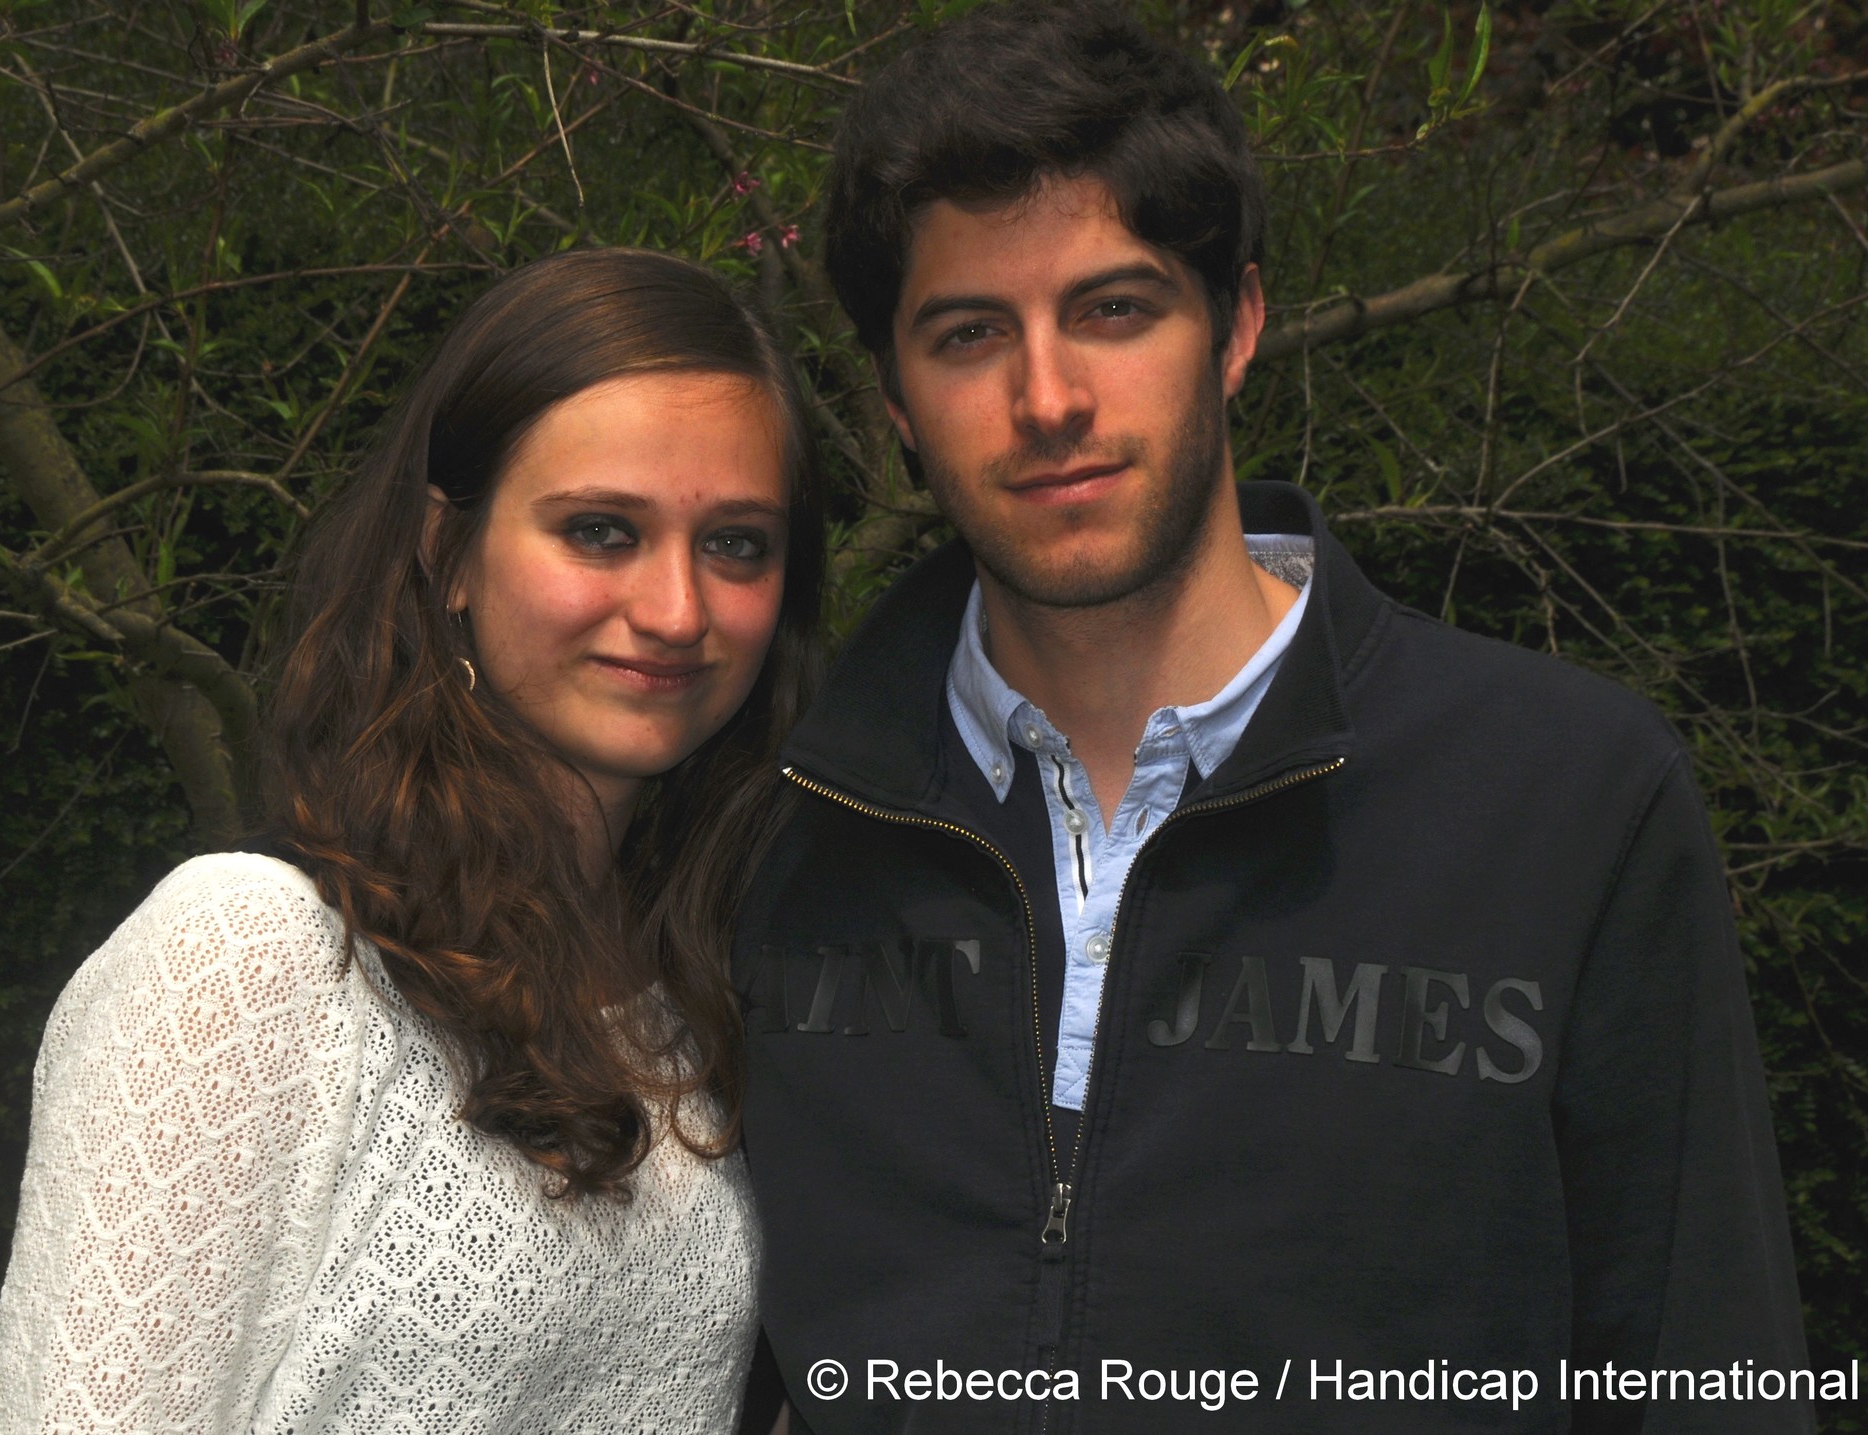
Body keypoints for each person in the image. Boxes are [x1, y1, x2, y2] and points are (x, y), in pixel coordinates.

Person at [731, 5, 1810, 1432]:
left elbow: (1702, 1367)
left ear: (1235, 325)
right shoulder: (785, 821)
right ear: (896, 400)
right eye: (969, 331)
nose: (1047, 396)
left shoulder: (1568, 799)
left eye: (1115, 308)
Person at [0, 247, 826, 1434]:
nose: (677, 609)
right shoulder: (256, 954)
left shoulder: (701, 993)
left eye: (735, 542)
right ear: (447, 554)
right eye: (598, 530)